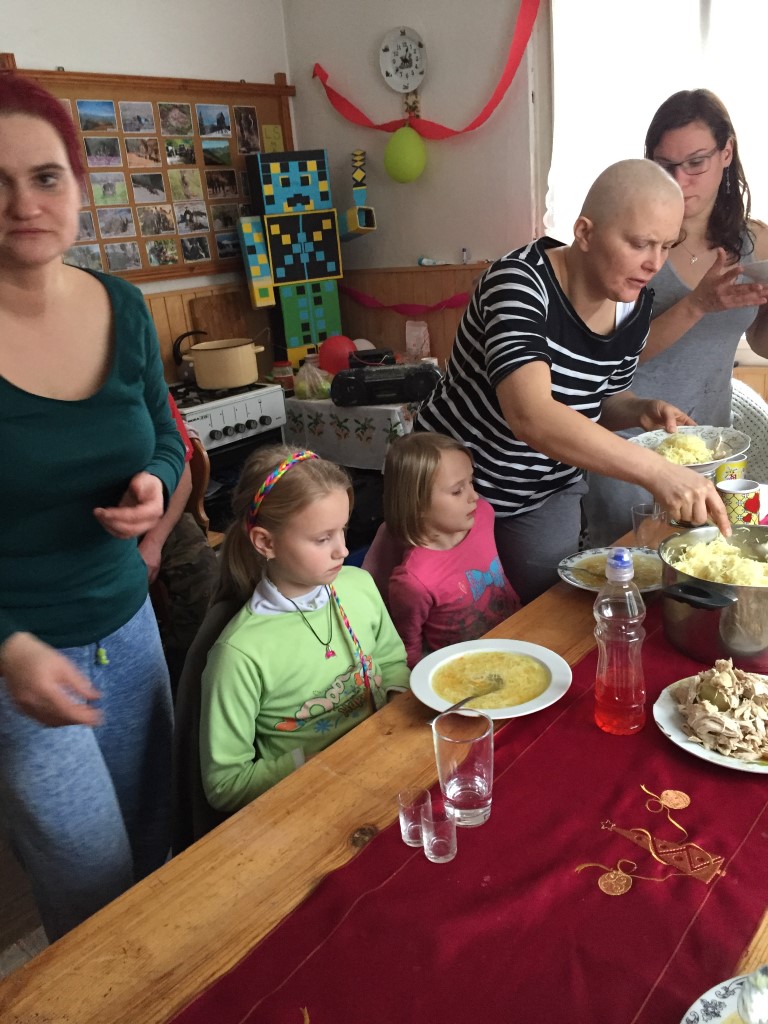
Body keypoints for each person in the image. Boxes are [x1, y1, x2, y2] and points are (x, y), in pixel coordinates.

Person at [0, 75, 186, 942]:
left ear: (79, 186)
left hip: (132, 632)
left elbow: (166, 438)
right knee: (93, 896)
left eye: (45, 177)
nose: (23, 204)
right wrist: (8, 647)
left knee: (158, 853)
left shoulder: (123, 307)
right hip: (22, 658)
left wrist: (152, 482)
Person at [415, 158, 730, 604]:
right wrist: (659, 472)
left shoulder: (634, 304)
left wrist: (638, 409)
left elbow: (598, 402)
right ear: (584, 232)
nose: (654, 264)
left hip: (543, 492)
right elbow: (532, 414)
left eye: (666, 246)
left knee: (549, 609)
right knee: (455, 616)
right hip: (451, 491)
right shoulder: (519, 284)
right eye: (640, 244)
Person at [584, 90, 768, 545]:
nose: (680, 180)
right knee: (631, 568)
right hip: (632, 446)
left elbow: (760, 342)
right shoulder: (633, 241)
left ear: (726, 153)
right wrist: (697, 304)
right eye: (665, 166)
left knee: (708, 565)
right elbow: (607, 359)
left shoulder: (756, 242)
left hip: (715, 448)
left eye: (696, 163)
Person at [199, 446, 409, 814]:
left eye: (343, 530)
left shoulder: (359, 585)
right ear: (266, 542)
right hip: (314, 802)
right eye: (322, 539)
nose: (343, 550)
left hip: (384, 768)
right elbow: (225, 785)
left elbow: (391, 661)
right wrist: (312, 763)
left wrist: (395, 704)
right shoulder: (239, 655)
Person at [380, 432, 520, 668]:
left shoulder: (484, 514)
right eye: (457, 491)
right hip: (466, 668)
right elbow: (408, 647)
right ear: (417, 503)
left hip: (517, 634)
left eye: (471, 482)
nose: (474, 496)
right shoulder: (412, 581)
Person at [140, 395, 219, 692]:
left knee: (206, 583)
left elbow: (183, 475)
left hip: (154, 514)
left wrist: (153, 543)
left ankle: (187, 680)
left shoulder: (147, 387)